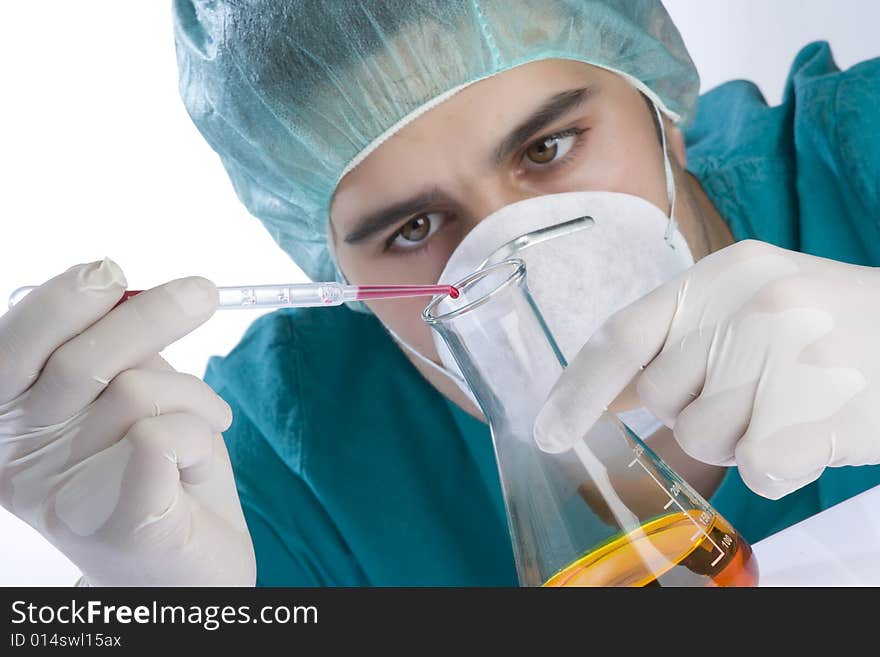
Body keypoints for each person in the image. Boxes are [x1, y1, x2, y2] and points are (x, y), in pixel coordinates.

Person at [1, 0, 878, 586]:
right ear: (341, 276)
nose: (511, 257)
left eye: (547, 149)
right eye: (413, 229)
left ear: (660, 111)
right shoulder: (275, 456)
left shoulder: (857, 158)